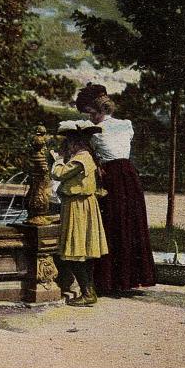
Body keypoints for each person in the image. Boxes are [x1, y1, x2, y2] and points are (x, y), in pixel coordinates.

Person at [74, 83, 156, 294]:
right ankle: (124, 279)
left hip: (114, 177)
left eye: (90, 113)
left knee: (113, 224)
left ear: (99, 109)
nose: (89, 117)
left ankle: (113, 280)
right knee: (126, 223)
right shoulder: (125, 125)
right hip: (128, 174)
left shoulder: (94, 131)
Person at [50, 121, 109, 306]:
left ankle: (87, 292)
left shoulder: (82, 158)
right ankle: (88, 290)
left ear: (76, 144)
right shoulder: (87, 157)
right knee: (80, 250)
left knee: (75, 250)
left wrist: (57, 159)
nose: (66, 148)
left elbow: (58, 174)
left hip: (78, 206)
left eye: (68, 144)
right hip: (81, 204)